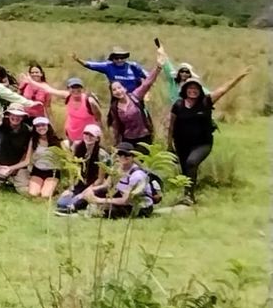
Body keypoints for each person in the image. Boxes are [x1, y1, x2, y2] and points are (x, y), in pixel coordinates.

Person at [168, 69, 249, 201]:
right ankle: (187, 195)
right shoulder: (177, 105)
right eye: (190, 88)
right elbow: (171, 126)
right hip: (181, 143)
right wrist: (169, 144)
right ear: (185, 90)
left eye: (196, 88)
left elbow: (223, 90)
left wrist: (239, 77)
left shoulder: (206, 102)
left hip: (202, 143)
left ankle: (189, 196)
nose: (193, 90)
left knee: (191, 162)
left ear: (200, 90)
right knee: (185, 170)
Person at [81, 142, 154, 218]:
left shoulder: (137, 175)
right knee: (94, 193)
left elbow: (125, 201)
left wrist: (98, 200)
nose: (123, 157)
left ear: (132, 157)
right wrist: (91, 190)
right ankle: (73, 208)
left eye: (126, 155)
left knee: (108, 210)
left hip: (139, 206)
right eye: (120, 154)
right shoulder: (117, 169)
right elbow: (107, 185)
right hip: (123, 198)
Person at [55, 125, 105, 213]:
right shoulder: (78, 148)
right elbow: (73, 171)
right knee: (61, 203)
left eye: (91, 135)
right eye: (86, 134)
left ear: (97, 138)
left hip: (94, 185)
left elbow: (100, 179)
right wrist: (70, 189)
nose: (88, 137)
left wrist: (85, 192)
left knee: (76, 202)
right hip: (80, 184)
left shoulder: (101, 154)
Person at [0, 105, 32, 194]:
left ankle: (11, 179)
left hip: (18, 164)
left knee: (24, 190)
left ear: (22, 117)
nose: (15, 118)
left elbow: (27, 153)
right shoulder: (4, 125)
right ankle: (5, 179)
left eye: (19, 116)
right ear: (9, 115)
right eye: (13, 115)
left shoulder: (27, 131)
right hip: (0, 161)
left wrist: (15, 168)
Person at [106, 71, 158, 148]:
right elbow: (116, 126)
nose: (118, 91)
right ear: (112, 93)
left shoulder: (135, 97)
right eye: (114, 90)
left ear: (125, 88)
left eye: (119, 88)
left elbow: (147, 84)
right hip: (128, 139)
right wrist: (116, 143)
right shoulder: (114, 107)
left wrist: (158, 68)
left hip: (144, 137)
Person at [72, 46, 147, 94]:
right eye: (116, 58)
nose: (119, 60)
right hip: (117, 97)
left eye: (122, 57)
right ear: (112, 59)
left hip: (135, 98)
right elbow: (90, 65)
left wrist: (147, 92)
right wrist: (77, 59)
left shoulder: (133, 66)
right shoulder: (108, 66)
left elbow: (148, 77)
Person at [28, 115, 62, 199]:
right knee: (33, 194)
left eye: (43, 125)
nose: (41, 128)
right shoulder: (33, 141)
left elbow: (66, 157)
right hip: (38, 170)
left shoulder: (56, 140)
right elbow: (27, 160)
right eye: (38, 126)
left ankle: (54, 188)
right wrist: (11, 168)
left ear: (48, 126)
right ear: (35, 128)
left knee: (45, 195)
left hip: (52, 172)